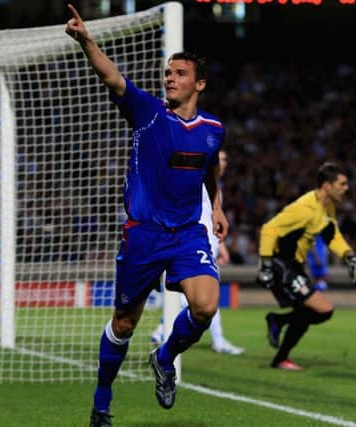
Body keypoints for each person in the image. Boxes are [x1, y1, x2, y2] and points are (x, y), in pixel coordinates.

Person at [65, 5, 229, 427]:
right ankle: (102, 403)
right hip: (144, 234)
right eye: (168, 72)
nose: (169, 78)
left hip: (188, 233)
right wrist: (86, 40)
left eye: (179, 73)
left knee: (206, 306)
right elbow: (111, 76)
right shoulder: (148, 112)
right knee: (124, 322)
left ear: (199, 83)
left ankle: (165, 357)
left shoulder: (213, 128)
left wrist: (220, 205)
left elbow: (209, 169)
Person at [255, 162, 356, 371]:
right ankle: (278, 321)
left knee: (305, 316)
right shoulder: (304, 209)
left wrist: (349, 257)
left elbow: (331, 235)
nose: (346, 188)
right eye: (342, 184)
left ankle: (280, 357)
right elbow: (269, 229)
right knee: (324, 309)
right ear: (327, 185)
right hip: (282, 263)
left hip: (295, 264)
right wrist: (266, 266)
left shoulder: (327, 207)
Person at [149, 149, 244, 355]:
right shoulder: (200, 181)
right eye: (221, 158)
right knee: (203, 295)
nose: (224, 162)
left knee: (204, 295)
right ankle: (165, 330)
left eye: (226, 159)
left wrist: (222, 245)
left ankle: (164, 330)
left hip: (209, 240)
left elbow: (213, 216)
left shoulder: (218, 185)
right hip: (196, 241)